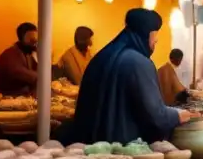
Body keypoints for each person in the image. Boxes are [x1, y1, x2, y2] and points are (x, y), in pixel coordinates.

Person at [70, 9, 192, 144]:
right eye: (154, 36)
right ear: (145, 34)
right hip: (122, 150)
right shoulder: (138, 63)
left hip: (88, 147)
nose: (156, 40)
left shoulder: (101, 56)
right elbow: (156, 116)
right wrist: (178, 116)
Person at [0, 22, 39, 96]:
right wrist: (45, 77)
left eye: (35, 41)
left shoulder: (27, 54)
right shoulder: (10, 55)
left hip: (24, 99)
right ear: (21, 38)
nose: (34, 44)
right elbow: (27, 76)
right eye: (31, 40)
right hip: (9, 99)